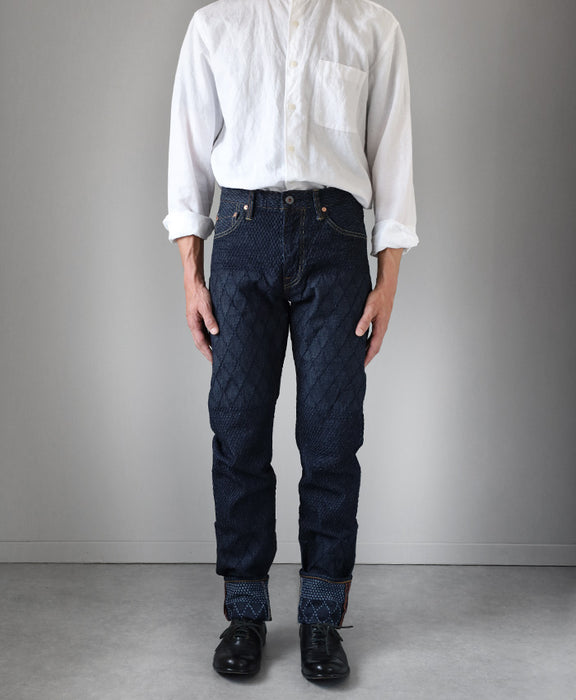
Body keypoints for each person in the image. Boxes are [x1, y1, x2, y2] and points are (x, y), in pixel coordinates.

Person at [162, 0, 418, 682]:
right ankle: (244, 613)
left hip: (337, 241)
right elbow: (188, 153)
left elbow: (392, 157)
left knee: (333, 433)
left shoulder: (372, 26)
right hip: (241, 235)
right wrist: (191, 275)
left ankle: (321, 619)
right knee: (238, 428)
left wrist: (388, 280)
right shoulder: (216, 25)